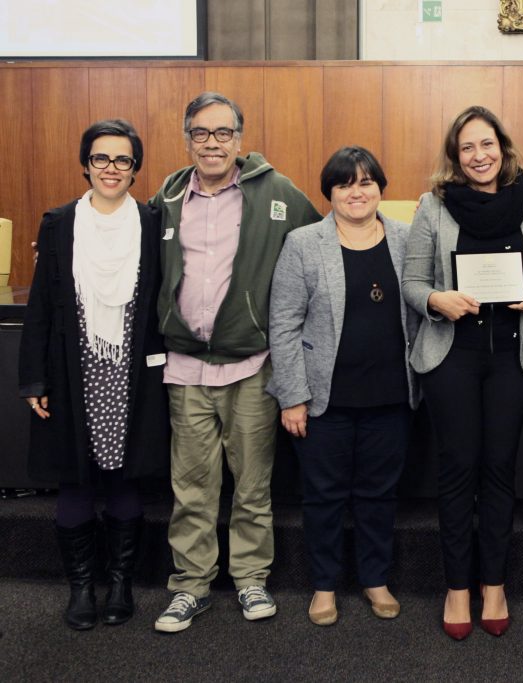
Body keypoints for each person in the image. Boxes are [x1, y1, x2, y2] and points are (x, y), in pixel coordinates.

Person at [151, 92, 321, 633]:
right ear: (188, 139)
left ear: (239, 139)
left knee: (251, 484)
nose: (212, 143)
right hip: (184, 366)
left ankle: (250, 578)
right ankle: (190, 586)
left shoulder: (278, 192)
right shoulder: (169, 194)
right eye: (201, 133)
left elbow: (322, 240)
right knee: (192, 485)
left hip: (251, 364)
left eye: (223, 133)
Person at [402, 105, 523, 640]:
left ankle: (495, 583)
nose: (478, 155)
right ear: (455, 157)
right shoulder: (433, 207)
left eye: (486, 144)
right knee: (458, 468)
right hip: (452, 357)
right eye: (467, 148)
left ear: (503, 147)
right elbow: (413, 282)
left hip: (513, 358)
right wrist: (436, 300)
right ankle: (456, 587)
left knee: (499, 469)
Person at [19, 119, 169, 630]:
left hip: (134, 372)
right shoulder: (58, 223)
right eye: (101, 158)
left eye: (122, 160)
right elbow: (41, 303)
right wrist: (34, 379)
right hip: (72, 368)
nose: (111, 168)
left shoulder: (152, 222)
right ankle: (82, 588)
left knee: (125, 479)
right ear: (85, 164)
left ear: (135, 169)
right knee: (75, 481)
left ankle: (121, 584)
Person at [267, 146, 419, 627]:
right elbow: (284, 324)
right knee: (324, 497)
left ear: (380, 188)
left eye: (367, 182)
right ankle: (324, 586)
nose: (357, 192)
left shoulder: (406, 238)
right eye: (345, 183)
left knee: (379, 494)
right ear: (329, 192)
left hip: (392, 396)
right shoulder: (303, 243)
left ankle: (375, 580)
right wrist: (292, 395)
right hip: (323, 401)